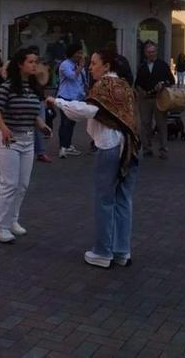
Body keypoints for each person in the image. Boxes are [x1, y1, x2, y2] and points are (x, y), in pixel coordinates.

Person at [47, 47, 140, 269]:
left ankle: (102, 252)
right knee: (123, 200)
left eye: (94, 63)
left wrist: (58, 102)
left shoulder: (104, 86)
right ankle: (121, 250)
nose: (90, 67)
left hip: (109, 145)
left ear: (106, 66)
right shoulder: (125, 86)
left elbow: (86, 111)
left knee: (104, 199)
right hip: (131, 146)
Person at [0, 48, 52, 243]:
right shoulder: (8, 86)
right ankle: (0, 227)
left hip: (28, 140)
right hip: (9, 140)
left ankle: (13, 220)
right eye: (31, 62)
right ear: (20, 64)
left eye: (36, 61)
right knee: (9, 184)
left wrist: (42, 126)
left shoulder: (34, 88)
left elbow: (33, 113)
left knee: (23, 184)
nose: (35, 65)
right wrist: (4, 128)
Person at [135, 42, 173, 159]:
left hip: (160, 98)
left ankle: (163, 149)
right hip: (145, 99)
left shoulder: (163, 65)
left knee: (161, 124)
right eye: (148, 52)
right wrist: (140, 91)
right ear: (145, 53)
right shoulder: (142, 66)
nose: (151, 54)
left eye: (153, 51)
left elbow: (171, 80)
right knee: (145, 124)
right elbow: (137, 83)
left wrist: (163, 84)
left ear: (156, 52)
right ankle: (147, 148)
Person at [56, 43, 86, 159]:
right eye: (78, 53)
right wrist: (80, 67)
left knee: (72, 122)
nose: (80, 55)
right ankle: (63, 147)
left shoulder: (78, 65)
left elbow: (81, 81)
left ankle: (67, 145)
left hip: (76, 97)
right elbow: (72, 76)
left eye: (81, 53)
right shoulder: (65, 64)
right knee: (65, 122)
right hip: (65, 96)